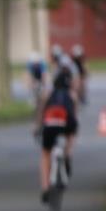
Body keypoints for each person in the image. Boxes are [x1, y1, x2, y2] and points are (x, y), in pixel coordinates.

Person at [35, 63, 77, 203]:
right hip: (66, 122)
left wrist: (37, 127)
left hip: (50, 122)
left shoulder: (49, 93)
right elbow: (74, 115)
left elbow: (41, 109)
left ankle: (45, 187)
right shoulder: (71, 94)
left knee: (46, 153)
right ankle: (67, 155)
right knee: (71, 133)